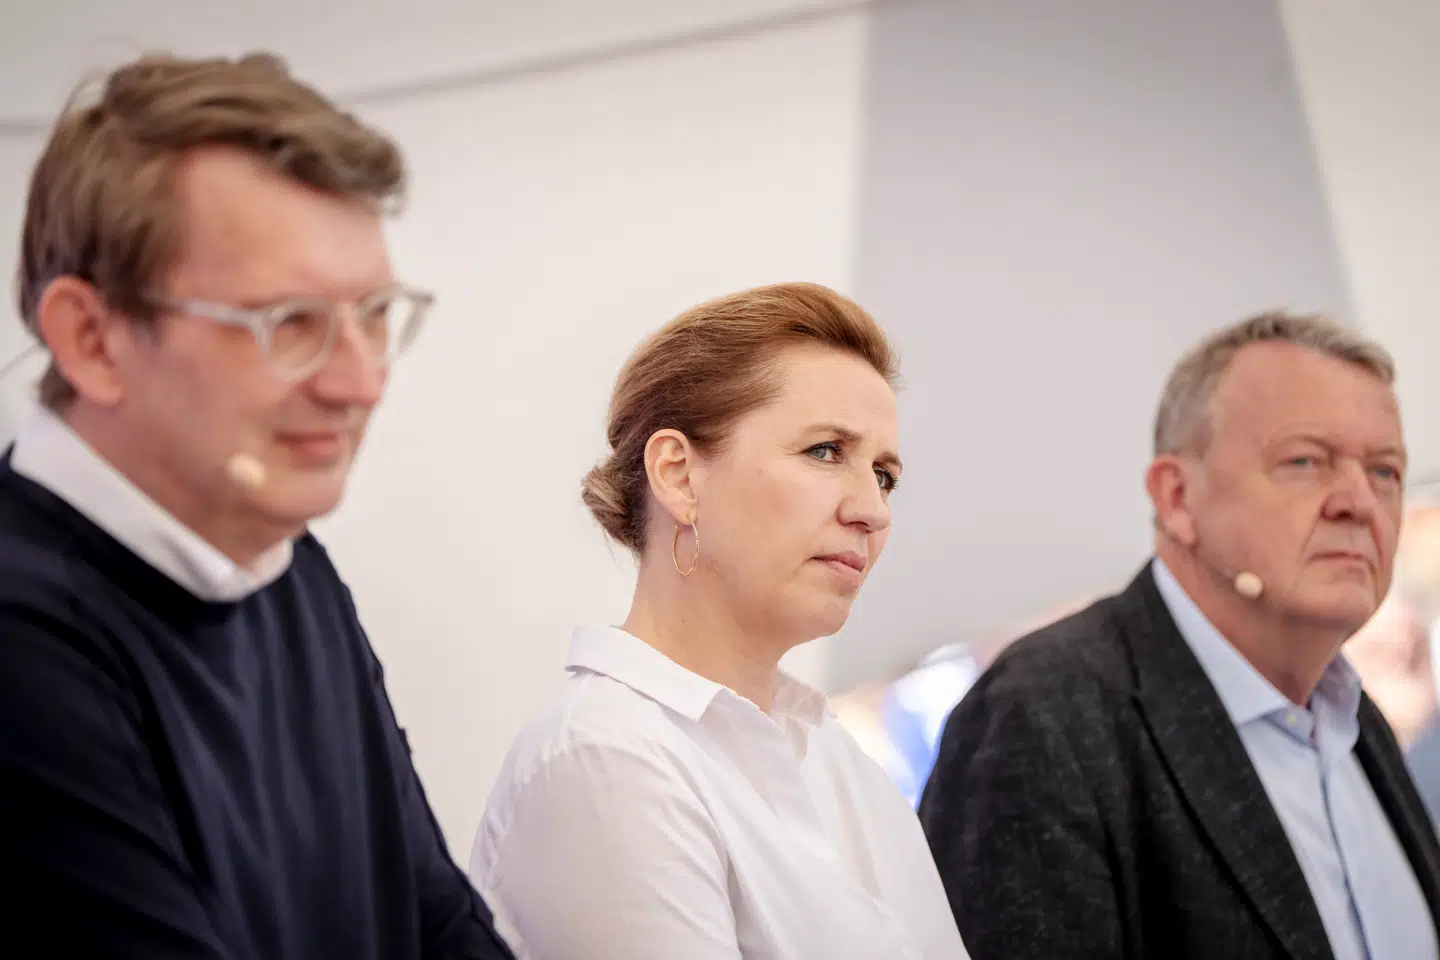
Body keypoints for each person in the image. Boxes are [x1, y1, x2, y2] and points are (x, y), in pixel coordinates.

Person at [0, 53, 514, 958]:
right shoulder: (22, 639)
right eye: (289, 323)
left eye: (375, 314)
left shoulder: (284, 563)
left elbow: (431, 914)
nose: (361, 382)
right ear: (92, 340)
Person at [469, 283, 968, 959]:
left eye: (883, 475)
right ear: (678, 476)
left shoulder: (840, 763)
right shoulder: (608, 761)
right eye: (825, 451)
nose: (873, 510)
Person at [919, 312, 1440, 959]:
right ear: (1177, 498)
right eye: (1305, 460)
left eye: (1385, 471)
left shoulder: (1355, 723)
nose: (1358, 502)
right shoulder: (1042, 717)